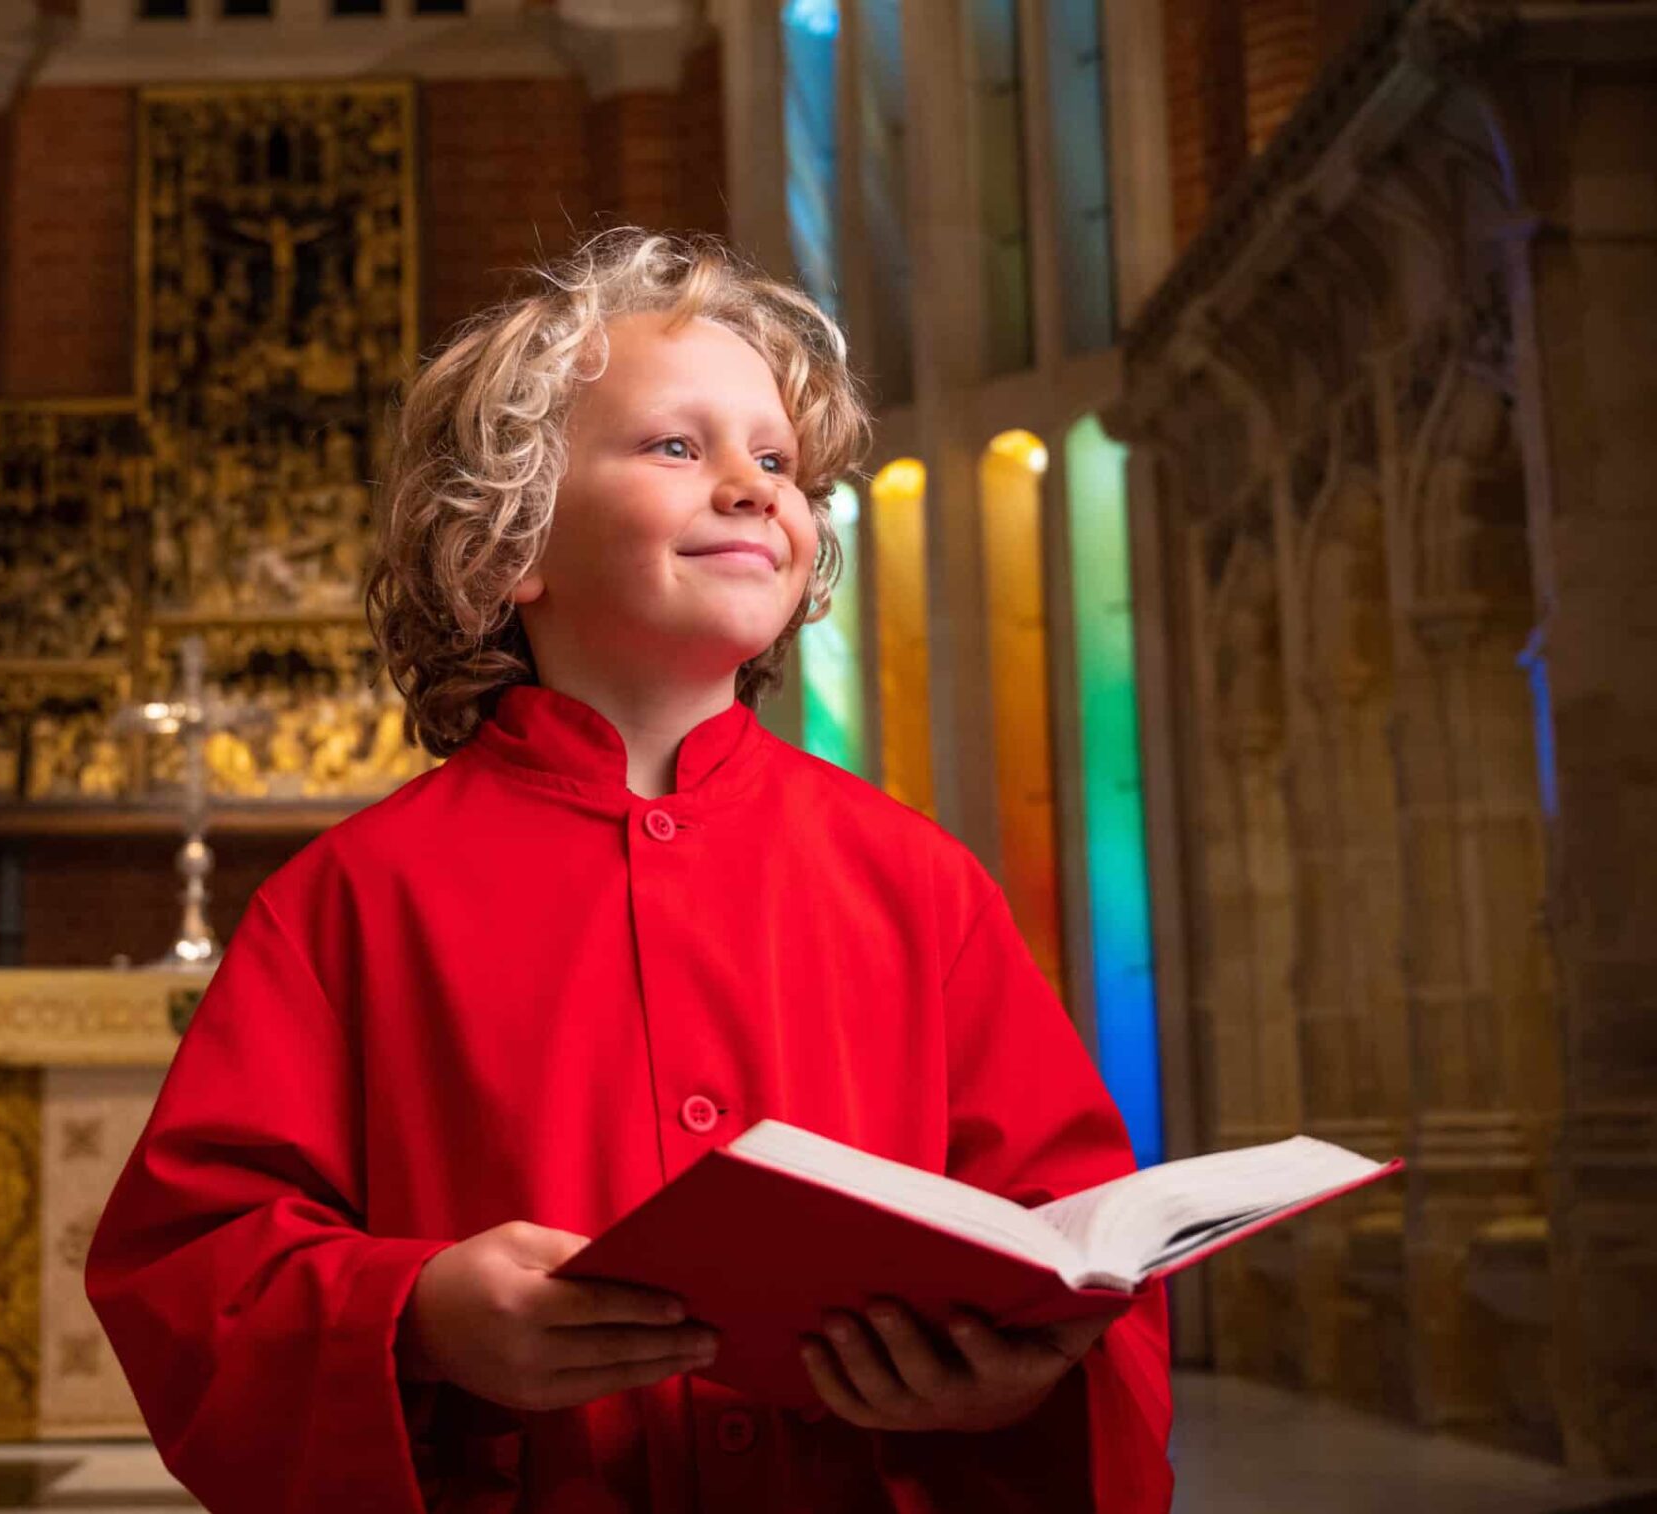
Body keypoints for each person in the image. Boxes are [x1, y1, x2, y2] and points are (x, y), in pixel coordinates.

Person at [85, 228, 1173, 1513]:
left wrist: (1010, 1378)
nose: (752, 485)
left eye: (776, 460)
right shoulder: (353, 898)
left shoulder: (917, 880)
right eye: (677, 445)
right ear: (508, 545)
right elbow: (191, 1261)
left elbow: (1074, 1231)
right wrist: (419, 1314)